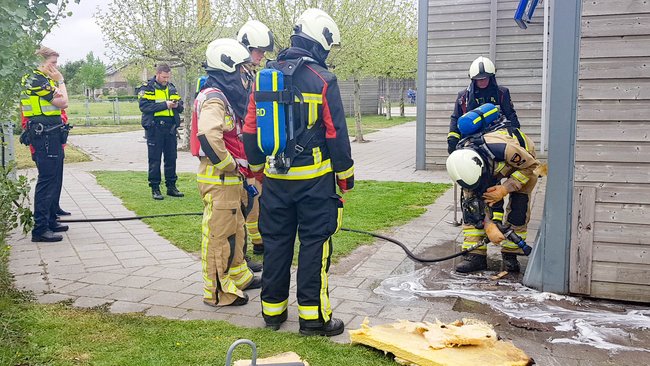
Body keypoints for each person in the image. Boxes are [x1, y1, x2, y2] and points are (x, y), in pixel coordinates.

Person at [243, 8, 354, 337]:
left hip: (275, 182)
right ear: (320, 40)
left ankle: (272, 313)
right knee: (314, 245)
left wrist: (257, 171)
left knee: (276, 244)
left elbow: (250, 129)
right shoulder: (323, 79)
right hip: (314, 182)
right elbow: (337, 134)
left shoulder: (266, 76)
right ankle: (314, 320)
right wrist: (345, 176)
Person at [194, 38, 262, 307]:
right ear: (228, 68)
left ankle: (239, 275)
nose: (246, 76)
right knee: (219, 236)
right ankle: (217, 292)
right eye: (242, 70)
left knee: (236, 230)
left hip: (230, 179)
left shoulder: (223, 97)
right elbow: (208, 135)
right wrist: (229, 165)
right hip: (220, 178)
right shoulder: (214, 98)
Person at [446, 104, 539, 273]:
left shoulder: (504, 148)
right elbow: (473, 207)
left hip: (523, 164)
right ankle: (475, 255)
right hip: (492, 167)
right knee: (471, 205)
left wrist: (505, 188)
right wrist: (488, 225)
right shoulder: (463, 161)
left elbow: (532, 167)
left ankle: (511, 253)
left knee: (518, 208)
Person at [20, 46, 70, 242]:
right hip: (45, 136)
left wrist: (57, 84)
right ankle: (40, 228)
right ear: (40, 62)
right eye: (53, 63)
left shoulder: (45, 80)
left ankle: (49, 220)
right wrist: (61, 82)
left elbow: (61, 101)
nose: (56, 67)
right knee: (47, 180)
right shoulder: (34, 80)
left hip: (52, 134)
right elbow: (63, 103)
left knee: (55, 177)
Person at [237, 19, 275, 257]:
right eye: (258, 50)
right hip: (240, 150)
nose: (261, 55)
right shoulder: (235, 77)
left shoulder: (249, 76)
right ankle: (251, 247)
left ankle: (254, 244)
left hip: (249, 148)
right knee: (247, 200)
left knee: (254, 198)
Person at [447, 56, 521, 154]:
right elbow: (456, 118)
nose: (482, 81)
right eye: (479, 79)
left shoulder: (502, 93)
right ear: (473, 79)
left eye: (485, 78)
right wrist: (452, 140)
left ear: (491, 77)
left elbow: (510, 115)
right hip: (471, 140)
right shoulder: (464, 97)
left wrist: (517, 136)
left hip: (498, 139)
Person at [139, 64, 184, 200]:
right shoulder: (147, 88)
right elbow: (144, 106)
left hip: (170, 129)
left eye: (167, 77)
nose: (166, 79)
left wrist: (177, 105)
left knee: (171, 158)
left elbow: (181, 106)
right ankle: (155, 188)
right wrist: (165, 105)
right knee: (155, 160)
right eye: (164, 77)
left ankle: (171, 186)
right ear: (157, 74)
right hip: (155, 128)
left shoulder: (171, 87)